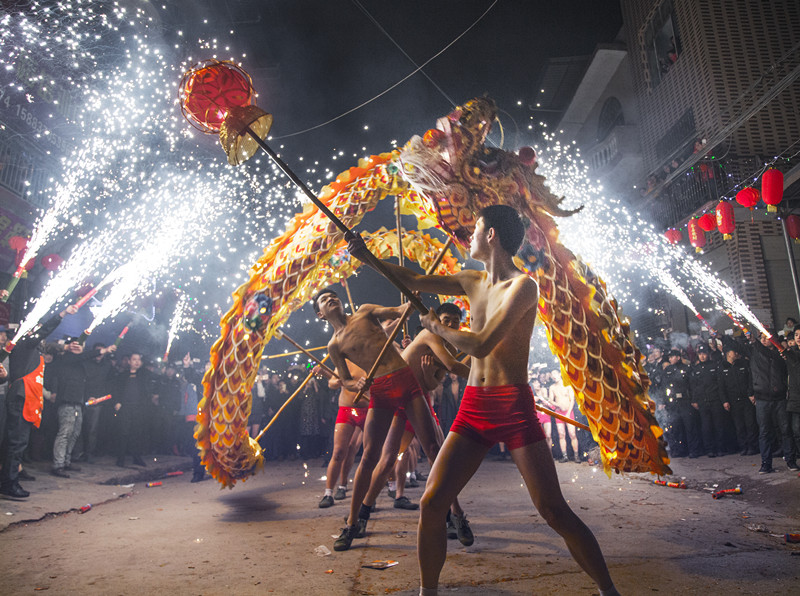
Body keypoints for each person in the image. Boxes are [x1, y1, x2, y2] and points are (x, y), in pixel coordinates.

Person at [348, 204, 619, 596]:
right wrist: (367, 258)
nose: (469, 236)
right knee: (432, 502)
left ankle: (609, 591)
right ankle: (429, 592)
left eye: (474, 229)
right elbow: (412, 279)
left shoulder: (523, 287)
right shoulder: (471, 281)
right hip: (473, 408)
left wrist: (437, 327)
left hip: (512, 406)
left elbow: (481, 343)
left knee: (553, 510)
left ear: (491, 235)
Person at [312, 289, 442, 553]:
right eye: (324, 300)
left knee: (432, 448)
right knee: (370, 455)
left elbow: (400, 310)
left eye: (333, 296)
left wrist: (410, 299)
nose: (331, 299)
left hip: (405, 378)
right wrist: (354, 382)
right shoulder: (334, 345)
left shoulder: (365, 310)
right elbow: (344, 379)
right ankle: (352, 522)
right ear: (320, 314)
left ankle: (453, 514)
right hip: (381, 391)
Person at [357, 302, 474, 546]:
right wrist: (484, 376)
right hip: (398, 400)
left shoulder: (449, 347)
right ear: (437, 320)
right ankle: (362, 513)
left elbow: (433, 384)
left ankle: (456, 515)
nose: (450, 324)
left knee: (436, 453)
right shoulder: (429, 334)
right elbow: (453, 367)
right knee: (387, 458)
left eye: (455, 321)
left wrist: (430, 373)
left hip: (419, 400)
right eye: (446, 319)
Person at [0, 303, 79, 499]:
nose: (38, 330)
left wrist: (65, 346)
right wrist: (62, 314)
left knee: (18, 443)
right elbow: (44, 331)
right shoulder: (23, 342)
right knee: (16, 444)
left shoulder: (32, 347)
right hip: (20, 398)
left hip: (24, 398)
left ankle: (9, 480)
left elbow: (49, 342)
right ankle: (8, 484)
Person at [317, 359, 367, 508]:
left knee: (367, 453)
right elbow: (332, 383)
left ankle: (367, 494)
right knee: (338, 451)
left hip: (368, 409)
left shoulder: (371, 358)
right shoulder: (345, 361)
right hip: (346, 410)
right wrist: (339, 381)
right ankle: (328, 493)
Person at [112, 352, 153, 467]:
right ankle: (121, 458)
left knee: (137, 433)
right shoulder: (122, 376)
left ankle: (136, 457)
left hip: (139, 408)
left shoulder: (144, 375)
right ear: (129, 361)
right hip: (125, 407)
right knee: (123, 432)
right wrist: (117, 401)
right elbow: (116, 390)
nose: (136, 362)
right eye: (134, 359)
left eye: (139, 359)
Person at [719, 347, 758, 456]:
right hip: (733, 401)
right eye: (733, 351)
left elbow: (750, 380)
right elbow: (721, 387)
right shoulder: (722, 367)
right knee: (739, 426)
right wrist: (724, 401)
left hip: (746, 399)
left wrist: (751, 393)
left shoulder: (743, 364)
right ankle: (743, 447)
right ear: (728, 353)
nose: (736, 353)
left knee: (750, 424)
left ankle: (752, 447)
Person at [662, 348, 701, 458]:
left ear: (678, 357)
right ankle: (680, 450)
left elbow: (692, 386)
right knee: (676, 427)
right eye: (669, 357)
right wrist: (664, 401)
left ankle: (694, 450)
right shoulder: (668, 370)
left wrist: (694, 400)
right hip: (673, 403)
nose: (670, 359)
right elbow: (664, 387)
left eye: (672, 356)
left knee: (690, 427)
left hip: (685, 401)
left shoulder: (686, 369)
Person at [689, 345, 726, 457]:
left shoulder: (715, 366)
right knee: (706, 427)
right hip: (703, 401)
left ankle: (720, 448)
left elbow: (720, 384)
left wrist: (723, 400)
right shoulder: (696, 369)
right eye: (700, 354)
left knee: (719, 425)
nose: (702, 356)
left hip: (715, 399)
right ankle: (709, 449)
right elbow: (694, 386)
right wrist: (694, 400)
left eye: (704, 353)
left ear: (708, 354)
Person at [549, 370, 580, 462]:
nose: (553, 376)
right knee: (561, 434)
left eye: (555, 374)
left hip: (569, 412)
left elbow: (572, 400)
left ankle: (576, 455)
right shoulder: (552, 387)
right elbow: (551, 400)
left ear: (559, 374)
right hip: (558, 413)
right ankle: (565, 455)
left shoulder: (568, 385)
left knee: (572, 434)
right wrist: (558, 405)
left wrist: (568, 413)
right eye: (552, 374)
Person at [781, 326, 800, 471]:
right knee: (796, 430)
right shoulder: (790, 354)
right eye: (797, 335)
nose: (798, 337)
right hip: (795, 399)